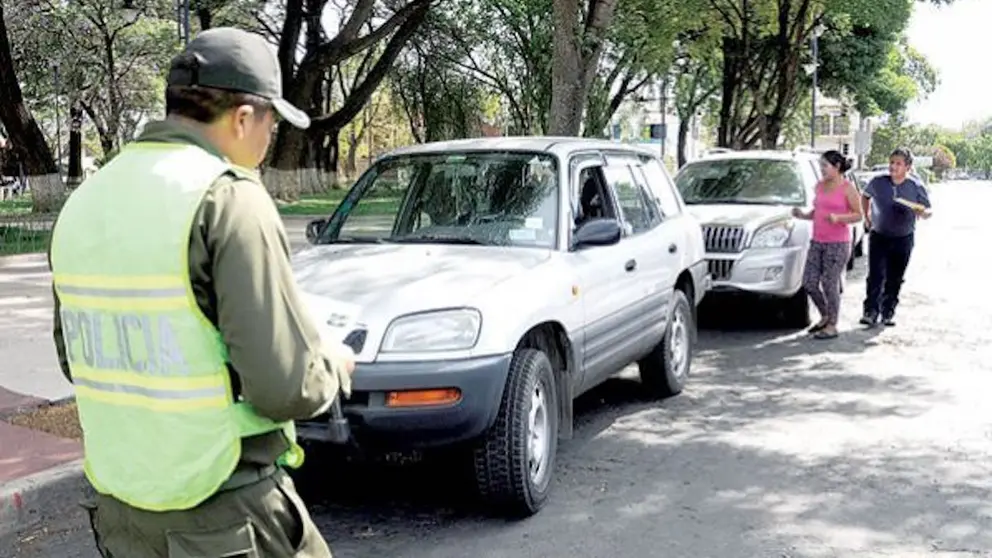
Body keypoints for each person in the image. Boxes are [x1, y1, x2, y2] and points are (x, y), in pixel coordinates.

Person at [48, 27, 354, 557]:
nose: (271, 136)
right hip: (224, 513)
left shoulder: (85, 203)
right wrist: (331, 365)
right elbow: (284, 388)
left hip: (124, 516)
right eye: (271, 121)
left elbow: (75, 358)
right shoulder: (227, 198)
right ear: (242, 118)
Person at [792, 150, 864, 339]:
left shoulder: (848, 188)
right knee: (809, 281)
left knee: (829, 283)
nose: (821, 169)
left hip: (838, 244)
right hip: (818, 241)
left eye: (825, 165)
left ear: (837, 167)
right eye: (821, 165)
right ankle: (825, 315)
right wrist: (803, 215)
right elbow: (818, 211)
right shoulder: (820, 186)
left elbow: (858, 215)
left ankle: (832, 324)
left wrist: (839, 217)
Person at [859, 147, 932, 327]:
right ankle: (870, 311)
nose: (893, 167)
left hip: (903, 237)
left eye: (898, 164)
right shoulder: (878, 182)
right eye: (892, 162)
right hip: (879, 235)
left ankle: (888, 312)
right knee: (876, 274)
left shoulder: (915, 186)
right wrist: (866, 216)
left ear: (908, 167)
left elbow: (927, 208)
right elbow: (865, 196)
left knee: (895, 277)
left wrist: (923, 212)